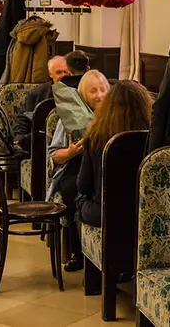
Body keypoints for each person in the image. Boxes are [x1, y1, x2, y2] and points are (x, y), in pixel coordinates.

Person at [48, 68, 109, 272]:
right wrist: (71, 151)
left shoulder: (115, 115)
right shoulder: (69, 117)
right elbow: (54, 155)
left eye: (103, 89)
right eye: (93, 91)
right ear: (83, 94)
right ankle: (77, 252)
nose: (99, 95)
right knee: (74, 191)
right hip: (75, 168)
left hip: (103, 171)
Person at [77, 80, 152, 227]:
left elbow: (84, 185)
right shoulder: (154, 136)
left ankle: (75, 248)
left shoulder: (96, 136)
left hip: (106, 212)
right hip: (143, 211)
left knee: (78, 198)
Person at [11, 56, 69, 154]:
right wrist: (20, 138)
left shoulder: (76, 92)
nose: (63, 75)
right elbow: (22, 118)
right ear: (51, 74)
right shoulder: (37, 93)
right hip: (38, 142)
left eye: (66, 72)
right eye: (59, 72)